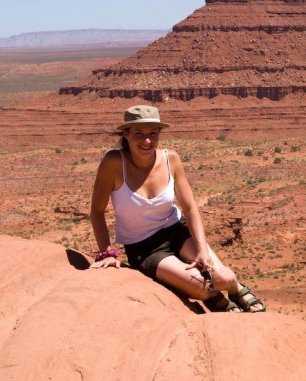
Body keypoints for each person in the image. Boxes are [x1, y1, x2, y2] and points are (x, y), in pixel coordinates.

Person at [90, 104, 266, 313]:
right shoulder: (113, 162)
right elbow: (97, 212)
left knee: (224, 277)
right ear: (126, 133)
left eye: (153, 133)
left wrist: (202, 249)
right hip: (144, 248)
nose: (147, 141)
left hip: (177, 231)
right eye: (139, 133)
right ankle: (213, 298)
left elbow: (190, 208)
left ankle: (236, 289)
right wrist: (107, 253)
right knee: (201, 287)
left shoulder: (170, 158)